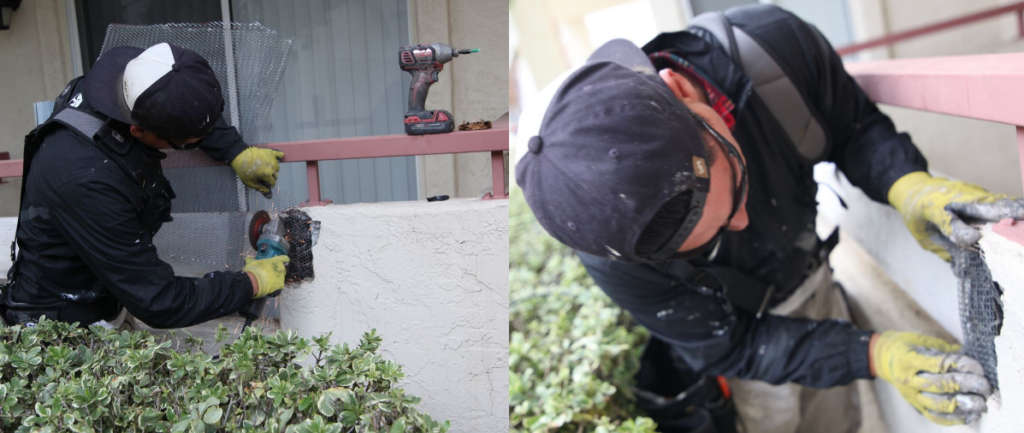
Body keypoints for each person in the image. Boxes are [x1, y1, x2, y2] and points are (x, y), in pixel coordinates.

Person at [516, 5, 1018, 432]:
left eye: (733, 191)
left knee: (840, 420)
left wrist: (907, 184)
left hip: (810, 276)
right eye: (705, 239)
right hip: (739, 332)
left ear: (681, 91)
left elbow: (852, 128)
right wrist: (875, 353)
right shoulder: (610, 252)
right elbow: (732, 347)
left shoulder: (772, 50)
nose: (740, 223)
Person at [3, 42, 290, 330]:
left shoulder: (132, 81)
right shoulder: (85, 180)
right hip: (61, 325)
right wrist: (251, 282)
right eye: (183, 143)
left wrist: (234, 150)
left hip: (108, 293)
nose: (191, 145)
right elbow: (159, 301)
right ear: (138, 130)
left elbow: (178, 98)